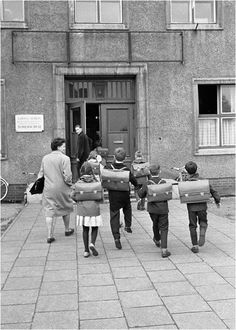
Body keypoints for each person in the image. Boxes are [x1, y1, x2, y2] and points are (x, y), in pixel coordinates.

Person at [38, 138, 74, 243]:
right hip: (62, 187)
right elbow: (67, 175)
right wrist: (70, 184)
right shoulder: (65, 158)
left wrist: (39, 186)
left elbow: (41, 173)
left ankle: (50, 235)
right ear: (58, 147)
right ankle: (67, 229)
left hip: (48, 188)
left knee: (49, 210)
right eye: (63, 146)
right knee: (66, 207)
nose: (64, 148)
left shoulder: (45, 158)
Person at [104, 147, 138, 249]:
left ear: (114, 157)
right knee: (127, 207)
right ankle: (128, 225)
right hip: (124, 194)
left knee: (114, 215)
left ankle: (116, 237)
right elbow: (133, 180)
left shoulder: (108, 167)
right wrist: (136, 185)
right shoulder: (126, 169)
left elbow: (104, 178)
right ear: (124, 158)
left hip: (113, 195)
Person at [184, 161, 221, 253]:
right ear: (196, 169)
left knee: (192, 225)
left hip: (191, 207)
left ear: (187, 171)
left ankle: (195, 245)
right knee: (203, 221)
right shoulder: (203, 180)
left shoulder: (186, 182)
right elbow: (213, 191)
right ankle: (203, 231)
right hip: (202, 206)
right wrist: (217, 200)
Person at [138, 164, 171, 258]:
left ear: (150, 172)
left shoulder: (147, 183)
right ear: (159, 171)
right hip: (163, 208)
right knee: (164, 228)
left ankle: (157, 239)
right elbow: (168, 194)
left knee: (155, 224)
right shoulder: (163, 182)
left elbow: (141, 194)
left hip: (152, 209)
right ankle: (164, 249)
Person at [73, 162, 103, 257]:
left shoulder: (78, 183)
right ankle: (92, 243)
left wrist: (77, 201)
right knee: (95, 227)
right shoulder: (96, 182)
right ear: (91, 171)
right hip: (94, 208)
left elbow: (73, 195)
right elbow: (100, 196)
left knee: (85, 229)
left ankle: (86, 250)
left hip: (82, 209)